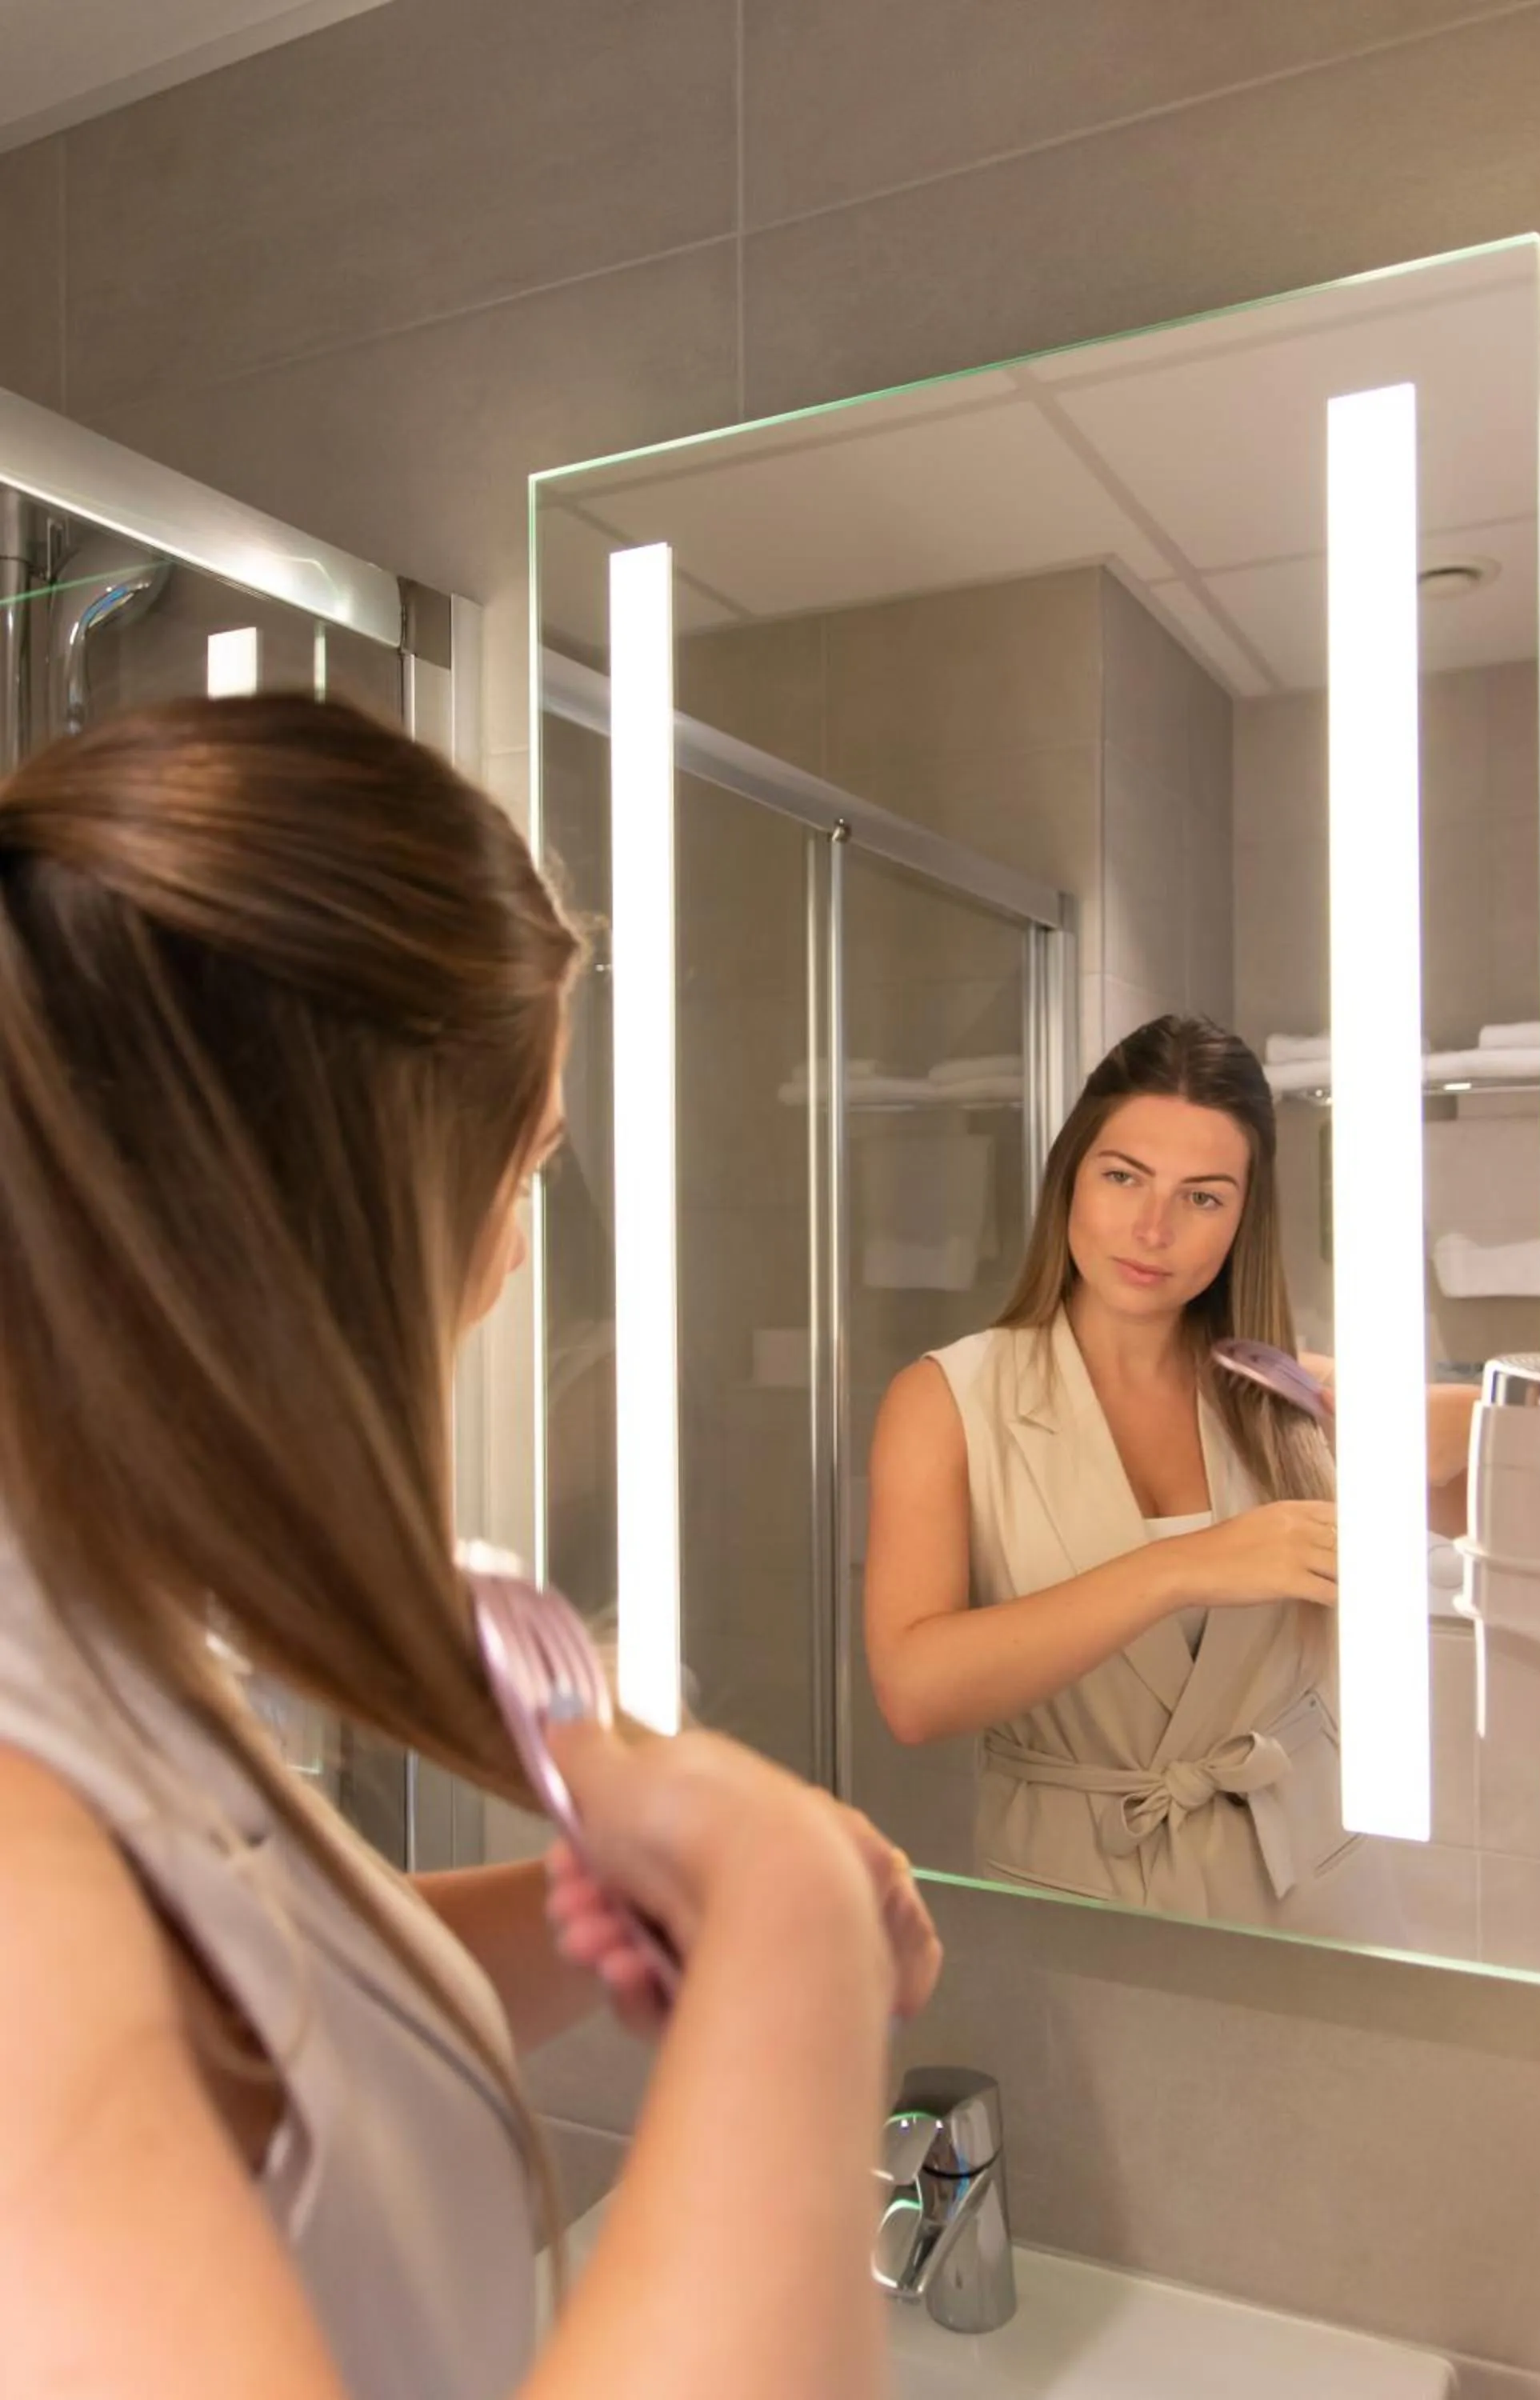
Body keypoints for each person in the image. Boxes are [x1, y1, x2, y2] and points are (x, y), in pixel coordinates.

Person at [0, 696, 942, 2400]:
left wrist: (611, 1910)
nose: (514, 1260)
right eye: (523, 1172)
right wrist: (789, 1928)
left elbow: (252, 2022)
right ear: (355, 1212)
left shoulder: (93, 1635)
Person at [865, 1014, 1471, 1934]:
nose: (1152, 1228)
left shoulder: (1288, 1394)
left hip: (1311, 1881)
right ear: (1069, 1177)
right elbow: (912, 1692)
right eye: (1122, 1178)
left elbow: (1522, 1518)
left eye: (1202, 1197)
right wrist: (1183, 1566)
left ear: (1242, 1218)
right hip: (1076, 1889)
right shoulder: (945, 1400)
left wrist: (1469, 1418)